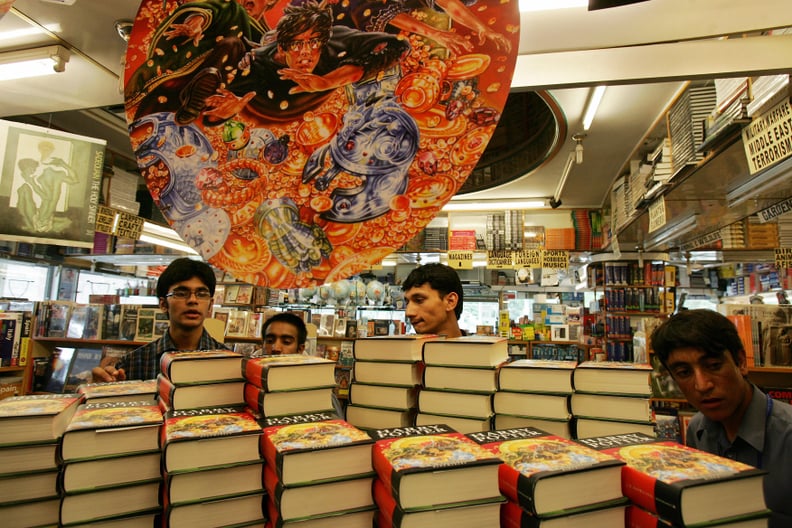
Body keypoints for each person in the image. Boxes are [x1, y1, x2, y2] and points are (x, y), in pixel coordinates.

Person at [650, 309, 792, 527]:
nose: (702, 385)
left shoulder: (786, 435)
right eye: (684, 373)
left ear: (741, 362)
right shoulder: (698, 429)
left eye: (714, 366)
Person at [91, 258, 228, 382]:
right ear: (163, 304)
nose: (193, 300)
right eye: (181, 293)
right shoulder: (132, 363)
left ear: (210, 304)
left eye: (201, 294)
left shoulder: (229, 362)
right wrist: (100, 392)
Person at [261, 311, 344, 417]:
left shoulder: (318, 393)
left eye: (286, 342)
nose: (276, 348)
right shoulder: (250, 384)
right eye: (269, 340)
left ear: (300, 349)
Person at [401, 263, 464, 337]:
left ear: (450, 302)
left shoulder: (477, 348)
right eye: (407, 302)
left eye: (419, 300)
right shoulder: (401, 348)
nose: (408, 312)